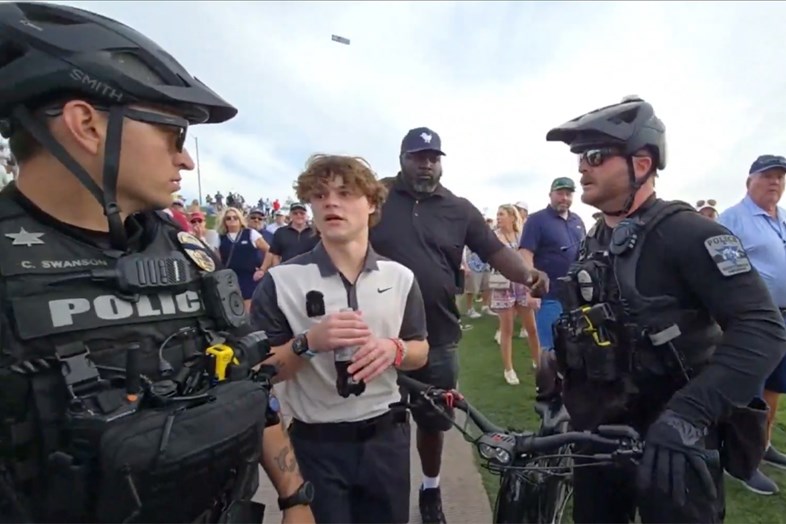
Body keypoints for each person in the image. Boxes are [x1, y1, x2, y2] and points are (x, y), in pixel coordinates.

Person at [0, 3, 314, 523]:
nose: (186, 159)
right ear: (86, 124)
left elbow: (248, 381)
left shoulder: (187, 252)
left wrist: (295, 498)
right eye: (175, 134)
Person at [544, 96, 786, 523]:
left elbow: (762, 328)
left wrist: (689, 415)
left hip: (676, 445)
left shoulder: (689, 233)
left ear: (641, 164)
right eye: (580, 158)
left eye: (595, 156)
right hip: (599, 436)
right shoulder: (593, 239)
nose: (582, 168)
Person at [369, 126, 547, 524]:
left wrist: (527, 275)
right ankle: (384, 495)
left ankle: (430, 488)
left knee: (434, 421)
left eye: (433, 158)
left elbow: (494, 251)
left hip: (437, 336)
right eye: (418, 157)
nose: (426, 164)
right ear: (401, 159)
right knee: (380, 422)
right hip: (377, 335)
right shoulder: (376, 196)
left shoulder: (459, 208)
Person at [250, 154, 429, 523]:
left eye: (345, 193)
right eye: (320, 195)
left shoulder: (400, 277)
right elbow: (260, 372)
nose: (331, 203)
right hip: (316, 444)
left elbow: (421, 350)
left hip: (386, 439)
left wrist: (394, 350)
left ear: (372, 204)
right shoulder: (281, 281)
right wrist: (307, 343)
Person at [718, 154, 786, 495]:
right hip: (752, 319)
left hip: (783, 317)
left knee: (774, 385)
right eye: (767, 176)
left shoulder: (782, 217)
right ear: (749, 182)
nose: (775, 182)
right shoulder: (732, 219)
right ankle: (742, 461)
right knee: (750, 390)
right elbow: (719, 272)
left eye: (780, 177)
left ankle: (764, 444)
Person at [519, 177, 586, 354]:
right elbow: (525, 253)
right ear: (550, 195)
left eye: (568, 194)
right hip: (549, 297)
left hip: (574, 297)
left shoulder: (577, 221)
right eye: (560, 193)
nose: (564, 198)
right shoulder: (536, 220)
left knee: (576, 347)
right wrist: (531, 288)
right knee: (550, 350)